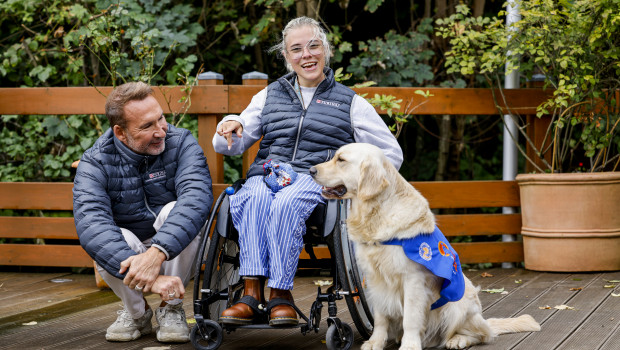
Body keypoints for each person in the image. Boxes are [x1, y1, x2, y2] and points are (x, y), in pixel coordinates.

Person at [212, 16, 403, 327]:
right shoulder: (269, 95)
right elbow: (229, 145)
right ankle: (250, 293)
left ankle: (280, 293)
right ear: (287, 57)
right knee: (253, 196)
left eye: (314, 46)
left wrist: (352, 184)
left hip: (313, 179)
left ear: (325, 50)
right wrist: (229, 126)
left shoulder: (349, 102)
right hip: (267, 174)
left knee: (288, 201)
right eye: (297, 49)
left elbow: (390, 154)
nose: (307, 55)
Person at [73, 82, 213, 343]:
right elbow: (91, 224)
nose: (161, 131)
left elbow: (196, 200)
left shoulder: (181, 142)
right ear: (120, 132)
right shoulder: (94, 162)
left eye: (160, 118)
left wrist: (156, 254)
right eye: (147, 126)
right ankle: (137, 313)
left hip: (176, 249)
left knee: (175, 210)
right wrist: (154, 279)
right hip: (130, 250)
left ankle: (170, 308)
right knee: (110, 238)